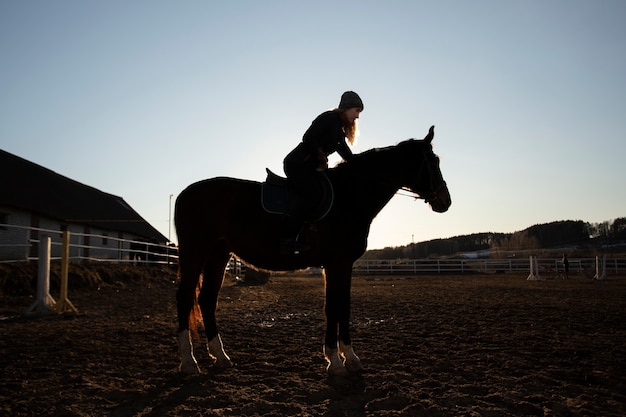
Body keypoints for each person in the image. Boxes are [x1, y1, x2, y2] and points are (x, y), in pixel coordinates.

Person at [281, 91, 364, 251]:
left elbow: (347, 155)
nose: (358, 116)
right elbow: (308, 137)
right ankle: (288, 237)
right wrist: (320, 154)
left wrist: (363, 164)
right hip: (297, 164)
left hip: (309, 168)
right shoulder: (329, 118)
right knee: (313, 194)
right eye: (356, 110)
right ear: (346, 108)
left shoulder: (339, 132)